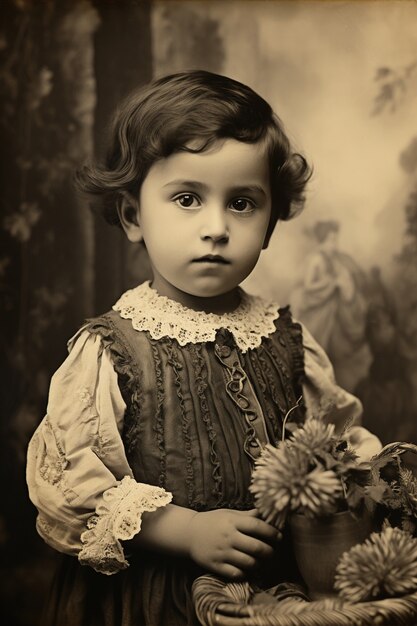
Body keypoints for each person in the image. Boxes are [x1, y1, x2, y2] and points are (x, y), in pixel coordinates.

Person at [26, 70, 380, 626]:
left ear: (269, 225)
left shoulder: (288, 341)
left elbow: (334, 440)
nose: (216, 227)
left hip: (274, 593)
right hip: (153, 598)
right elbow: (68, 483)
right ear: (133, 216)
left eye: (242, 203)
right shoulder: (110, 351)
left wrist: (365, 478)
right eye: (187, 198)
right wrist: (184, 530)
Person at [290, 220, 370, 391]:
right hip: (316, 311)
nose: (335, 244)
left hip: (329, 310)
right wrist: (331, 284)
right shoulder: (316, 259)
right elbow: (309, 286)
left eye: (336, 239)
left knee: (332, 347)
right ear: (323, 240)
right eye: (332, 240)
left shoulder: (332, 259)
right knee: (317, 345)